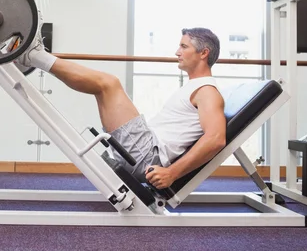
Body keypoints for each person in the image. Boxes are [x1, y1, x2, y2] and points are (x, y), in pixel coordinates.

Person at [15, 15, 226, 190]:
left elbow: (216, 139)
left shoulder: (207, 91)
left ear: (203, 53)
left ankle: (35, 56)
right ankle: (35, 57)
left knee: (108, 84)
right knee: (102, 89)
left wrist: (171, 173)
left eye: (183, 46)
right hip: (144, 150)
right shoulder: (195, 87)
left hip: (147, 157)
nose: (177, 52)